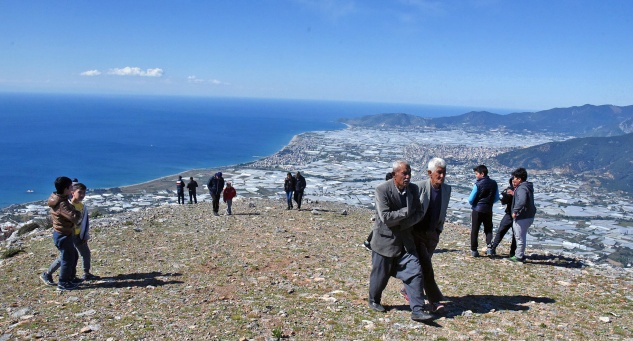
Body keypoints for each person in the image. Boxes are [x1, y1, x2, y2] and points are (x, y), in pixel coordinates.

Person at [368, 160, 433, 322]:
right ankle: (373, 300)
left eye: (409, 173)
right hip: (384, 243)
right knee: (380, 276)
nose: (408, 176)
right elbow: (386, 217)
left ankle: (418, 309)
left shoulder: (413, 189)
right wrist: (407, 212)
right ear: (394, 175)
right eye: (404, 173)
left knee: (415, 272)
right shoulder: (382, 190)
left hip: (406, 242)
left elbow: (419, 213)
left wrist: (405, 222)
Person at [402, 157, 451, 313]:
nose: (442, 176)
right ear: (430, 173)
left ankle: (407, 290)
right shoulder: (419, 187)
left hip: (432, 234)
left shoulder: (447, 189)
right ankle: (434, 300)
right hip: (417, 233)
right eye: (439, 173)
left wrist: (438, 231)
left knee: (422, 266)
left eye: (444, 173)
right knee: (426, 267)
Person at [41, 182, 98, 287]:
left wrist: (84, 234)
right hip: (69, 234)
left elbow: (84, 222)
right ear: (72, 192)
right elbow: (73, 219)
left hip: (78, 234)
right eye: (79, 192)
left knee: (81, 254)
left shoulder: (81, 206)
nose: (82, 195)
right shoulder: (67, 205)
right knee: (66, 256)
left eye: (84, 193)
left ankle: (83, 274)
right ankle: (50, 274)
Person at [42, 176, 83, 291]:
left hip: (63, 233)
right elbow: (74, 217)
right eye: (70, 187)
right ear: (65, 189)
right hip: (63, 235)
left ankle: (70, 278)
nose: (72, 189)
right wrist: (77, 212)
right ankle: (63, 282)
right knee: (67, 258)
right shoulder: (62, 204)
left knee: (73, 255)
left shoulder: (58, 198)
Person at [468, 165, 499, 257]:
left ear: (482, 174)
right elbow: (497, 197)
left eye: (477, 174)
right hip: (488, 209)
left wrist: (475, 204)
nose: (476, 176)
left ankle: (474, 250)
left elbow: (470, 199)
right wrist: (488, 203)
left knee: (475, 230)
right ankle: (489, 247)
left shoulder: (478, 184)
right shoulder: (494, 183)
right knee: (488, 229)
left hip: (477, 209)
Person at [510, 168, 536, 262]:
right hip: (529, 215)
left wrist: (515, 211)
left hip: (522, 216)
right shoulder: (528, 186)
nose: (513, 180)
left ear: (520, 179)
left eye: (515, 178)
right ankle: (519, 254)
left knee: (519, 237)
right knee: (522, 236)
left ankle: (519, 256)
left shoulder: (522, 188)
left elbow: (522, 200)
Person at [364, 172, 394, 250]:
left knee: (378, 228)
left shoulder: (385, 188)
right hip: (383, 212)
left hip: (382, 212)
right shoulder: (385, 189)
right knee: (378, 228)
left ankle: (368, 242)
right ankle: (368, 243)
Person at [489, 177, 519, 257]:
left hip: (518, 215)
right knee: (501, 230)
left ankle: (513, 252)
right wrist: (505, 195)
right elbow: (503, 200)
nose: (513, 183)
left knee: (515, 235)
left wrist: (513, 194)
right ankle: (493, 248)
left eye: (515, 181)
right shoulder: (509, 189)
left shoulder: (522, 190)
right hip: (509, 214)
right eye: (512, 181)